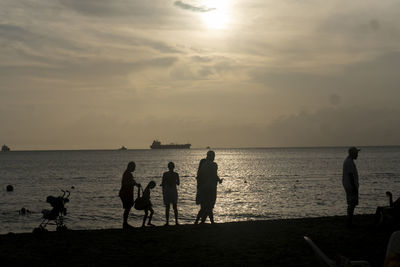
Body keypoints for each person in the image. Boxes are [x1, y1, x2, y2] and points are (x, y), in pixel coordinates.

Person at [195, 151, 223, 224]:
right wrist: (219, 180)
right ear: (212, 156)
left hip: (203, 188)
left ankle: (200, 221)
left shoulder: (203, 164)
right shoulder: (214, 165)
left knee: (204, 207)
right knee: (209, 206)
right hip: (211, 188)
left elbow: (199, 177)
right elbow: (214, 175)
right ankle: (209, 222)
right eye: (213, 156)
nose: (214, 158)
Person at [119, 161, 141, 229]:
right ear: (130, 167)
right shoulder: (127, 174)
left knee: (128, 208)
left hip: (126, 193)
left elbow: (132, 182)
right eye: (134, 167)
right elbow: (128, 183)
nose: (134, 169)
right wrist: (135, 184)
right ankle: (125, 223)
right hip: (125, 193)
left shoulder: (128, 173)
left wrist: (136, 184)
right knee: (127, 208)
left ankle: (125, 223)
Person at [342, 147, 360, 228]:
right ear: (352, 153)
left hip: (349, 185)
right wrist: (354, 187)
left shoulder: (349, 161)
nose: (357, 154)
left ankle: (349, 221)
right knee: (351, 204)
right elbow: (350, 175)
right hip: (350, 186)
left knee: (351, 204)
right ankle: (349, 222)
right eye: (356, 153)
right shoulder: (349, 162)